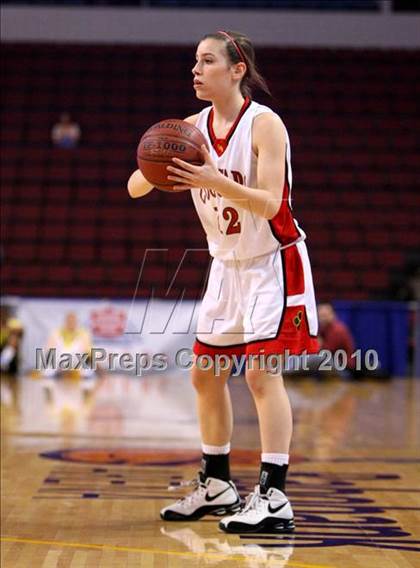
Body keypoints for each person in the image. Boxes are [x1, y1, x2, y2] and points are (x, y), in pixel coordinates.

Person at [127, 30, 319, 534]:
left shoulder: (265, 125)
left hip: (272, 262)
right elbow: (134, 187)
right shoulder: (188, 128)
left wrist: (215, 180)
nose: (195, 69)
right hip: (226, 266)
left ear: (236, 70)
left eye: (207, 60)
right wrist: (155, 160)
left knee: (260, 375)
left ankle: (274, 494)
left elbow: (274, 203)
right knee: (204, 374)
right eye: (194, 61)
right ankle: (217, 485)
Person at [317, 303, 356, 375]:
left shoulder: (338, 330)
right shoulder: (322, 329)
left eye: (325, 315)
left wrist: (318, 344)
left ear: (333, 315)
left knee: (317, 359)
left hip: (345, 370)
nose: (323, 319)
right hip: (333, 365)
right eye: (320, 316)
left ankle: (290, 372)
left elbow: (326, 351)